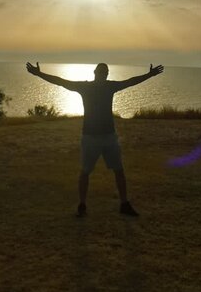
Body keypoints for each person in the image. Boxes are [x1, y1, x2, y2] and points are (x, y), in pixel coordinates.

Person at [25, 61, 164, 217]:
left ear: (104, 74)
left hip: (107, 136)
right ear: (96, 73)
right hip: (92, 137)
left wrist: (149, 75)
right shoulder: (92, 87)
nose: (103, 75)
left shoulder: (103, 87)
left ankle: (123, 204)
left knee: (116, 170)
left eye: (104, 73)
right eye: (101, 72)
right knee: (87, 171)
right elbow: (61, 81)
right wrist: (39, 74)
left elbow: (130, 82)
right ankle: (83, 205)